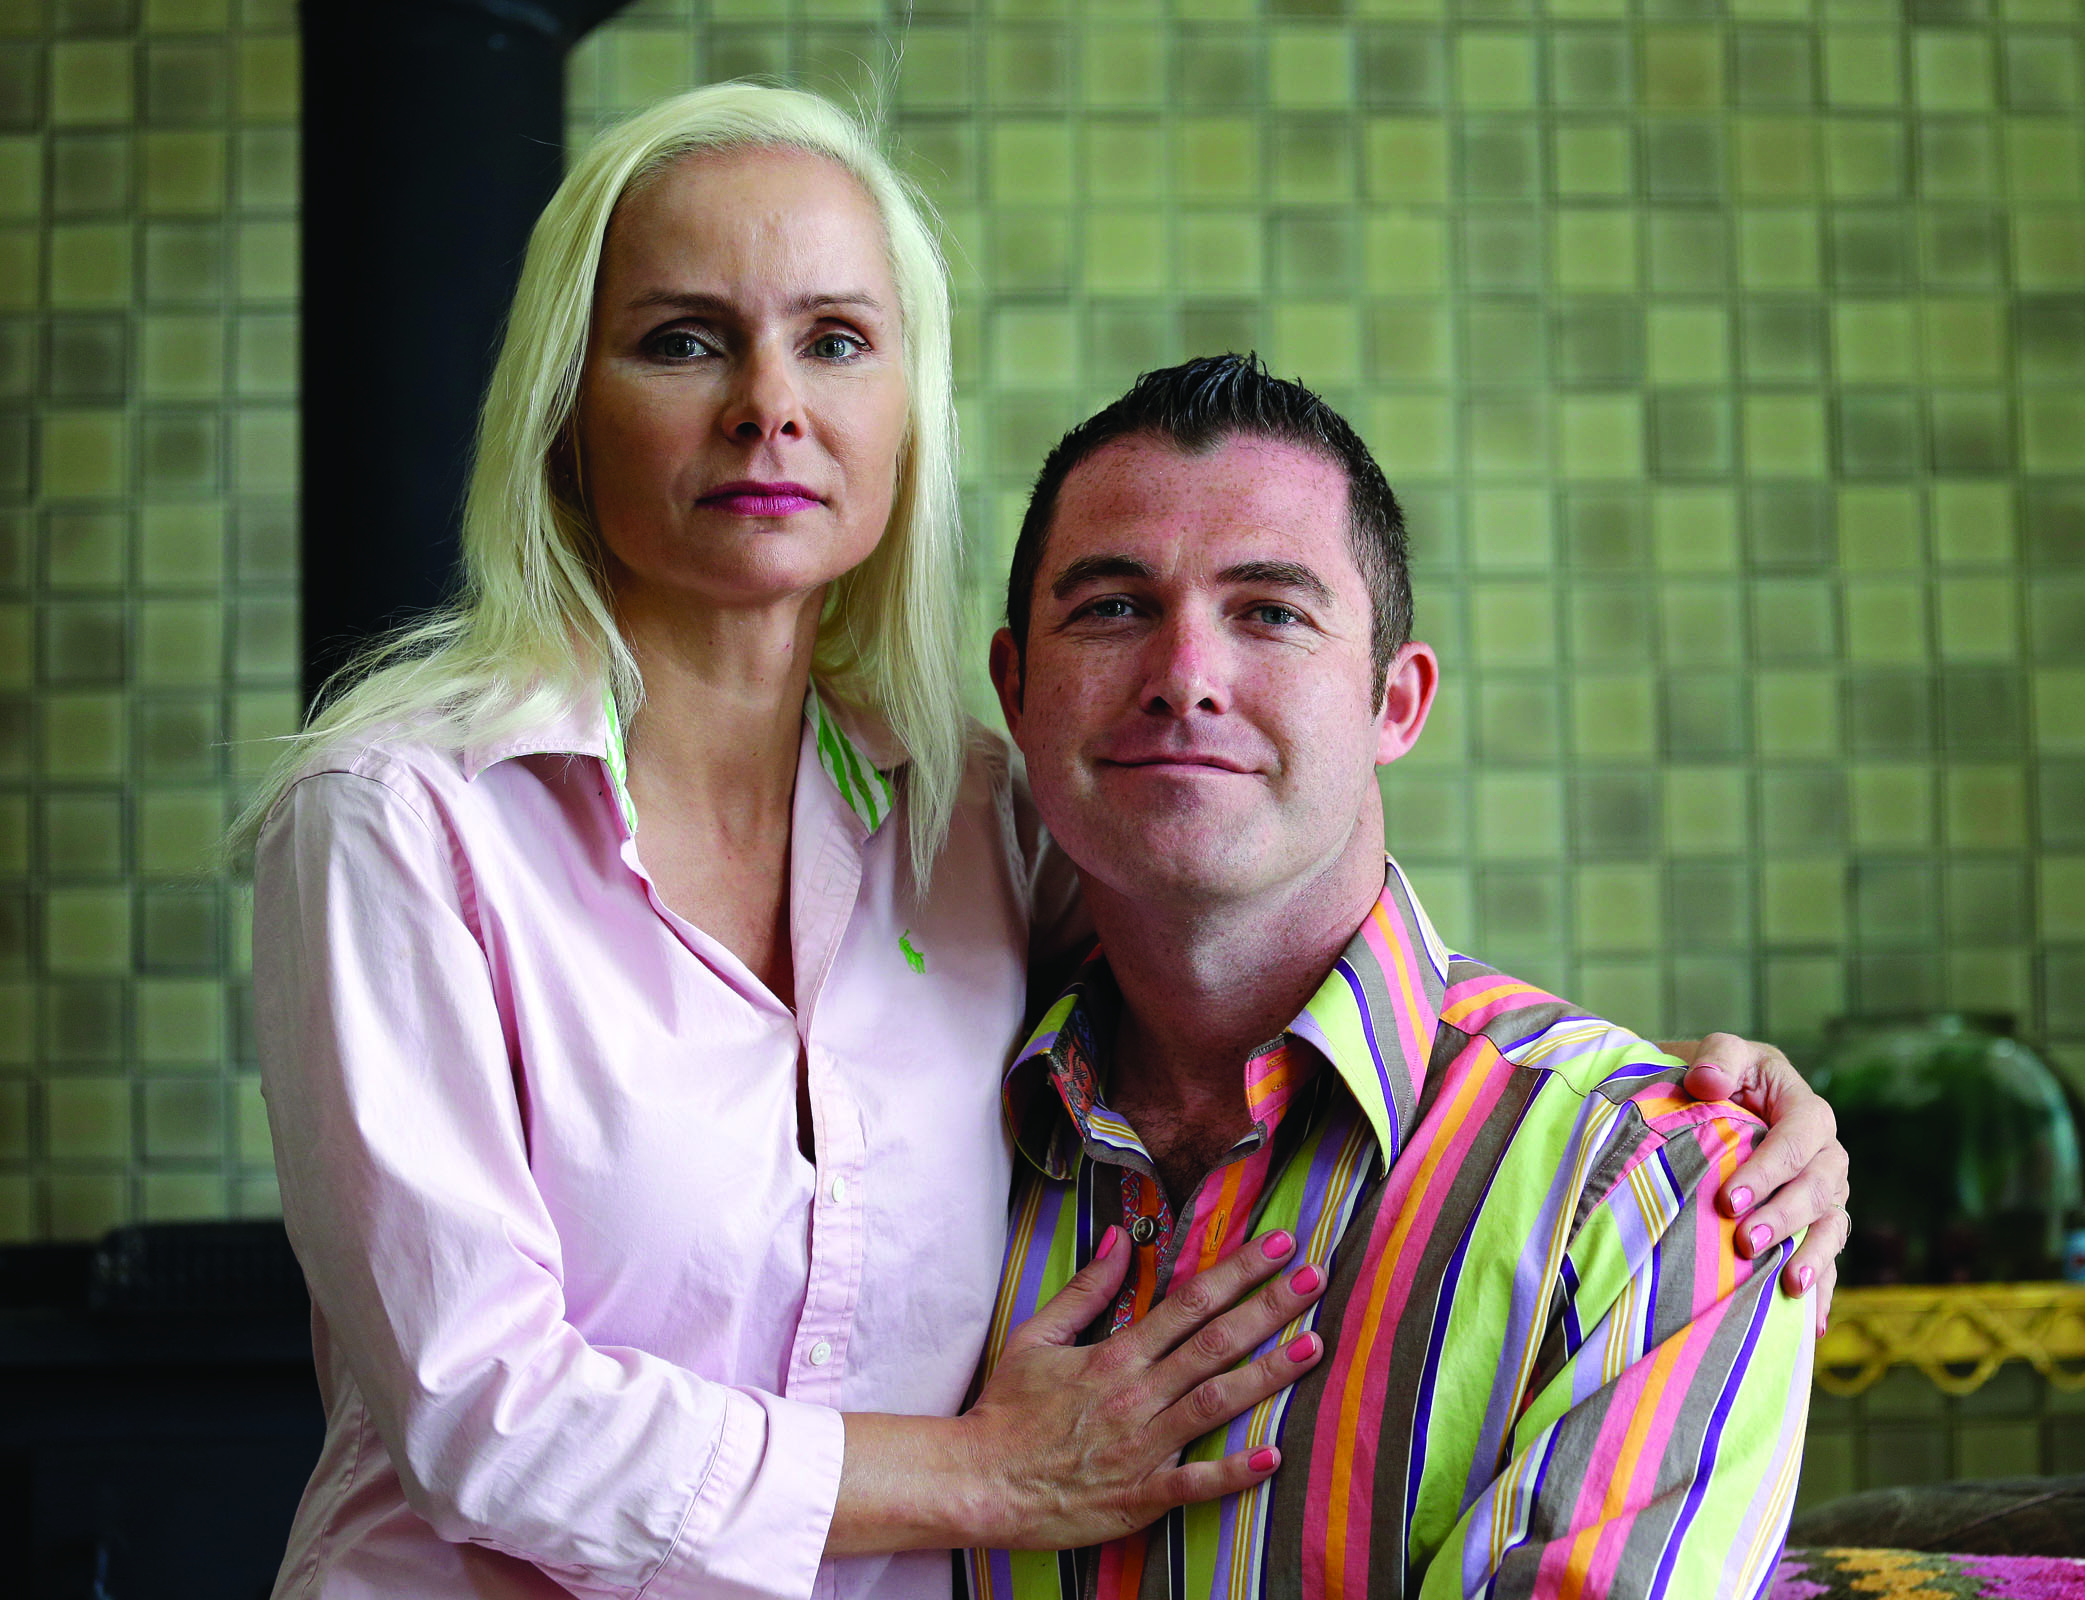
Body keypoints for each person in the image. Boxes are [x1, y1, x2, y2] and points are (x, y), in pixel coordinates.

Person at [247, 85, 1844, 1600]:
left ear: (904, 417)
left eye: (837, 342)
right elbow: (481, 1411)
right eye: (681, 343)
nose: (770, 408)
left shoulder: (976, 816)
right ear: (564, 416)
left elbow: (1256, 927)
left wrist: (1708, 1120)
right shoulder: (403, 819)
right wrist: (979, 1475)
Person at [969, 356, 1819, 1600]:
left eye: (1269, 612)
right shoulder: (911, 1129)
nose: (1183, 673)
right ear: (1015, 691)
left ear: (1395, 702)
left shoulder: (1662, 1185)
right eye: (1110, 608)